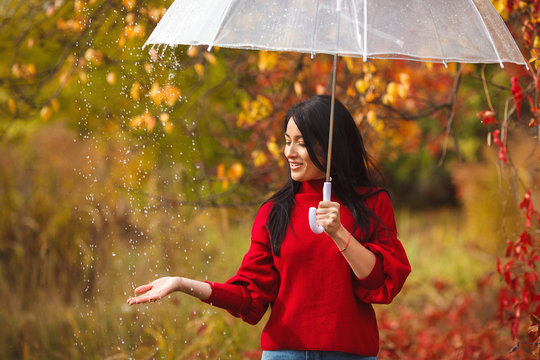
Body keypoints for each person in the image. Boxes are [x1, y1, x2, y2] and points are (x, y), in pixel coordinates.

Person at [127, 95, 411, 360]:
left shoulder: (372, 203)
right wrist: (181, 283)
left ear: (331, 145)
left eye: (301, 142)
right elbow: (249, 295)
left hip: (351, 353)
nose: (290, 152)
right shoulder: (274, 212)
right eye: (287, 141)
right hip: (285, 354)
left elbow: (378, 283)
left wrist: (339, 233)